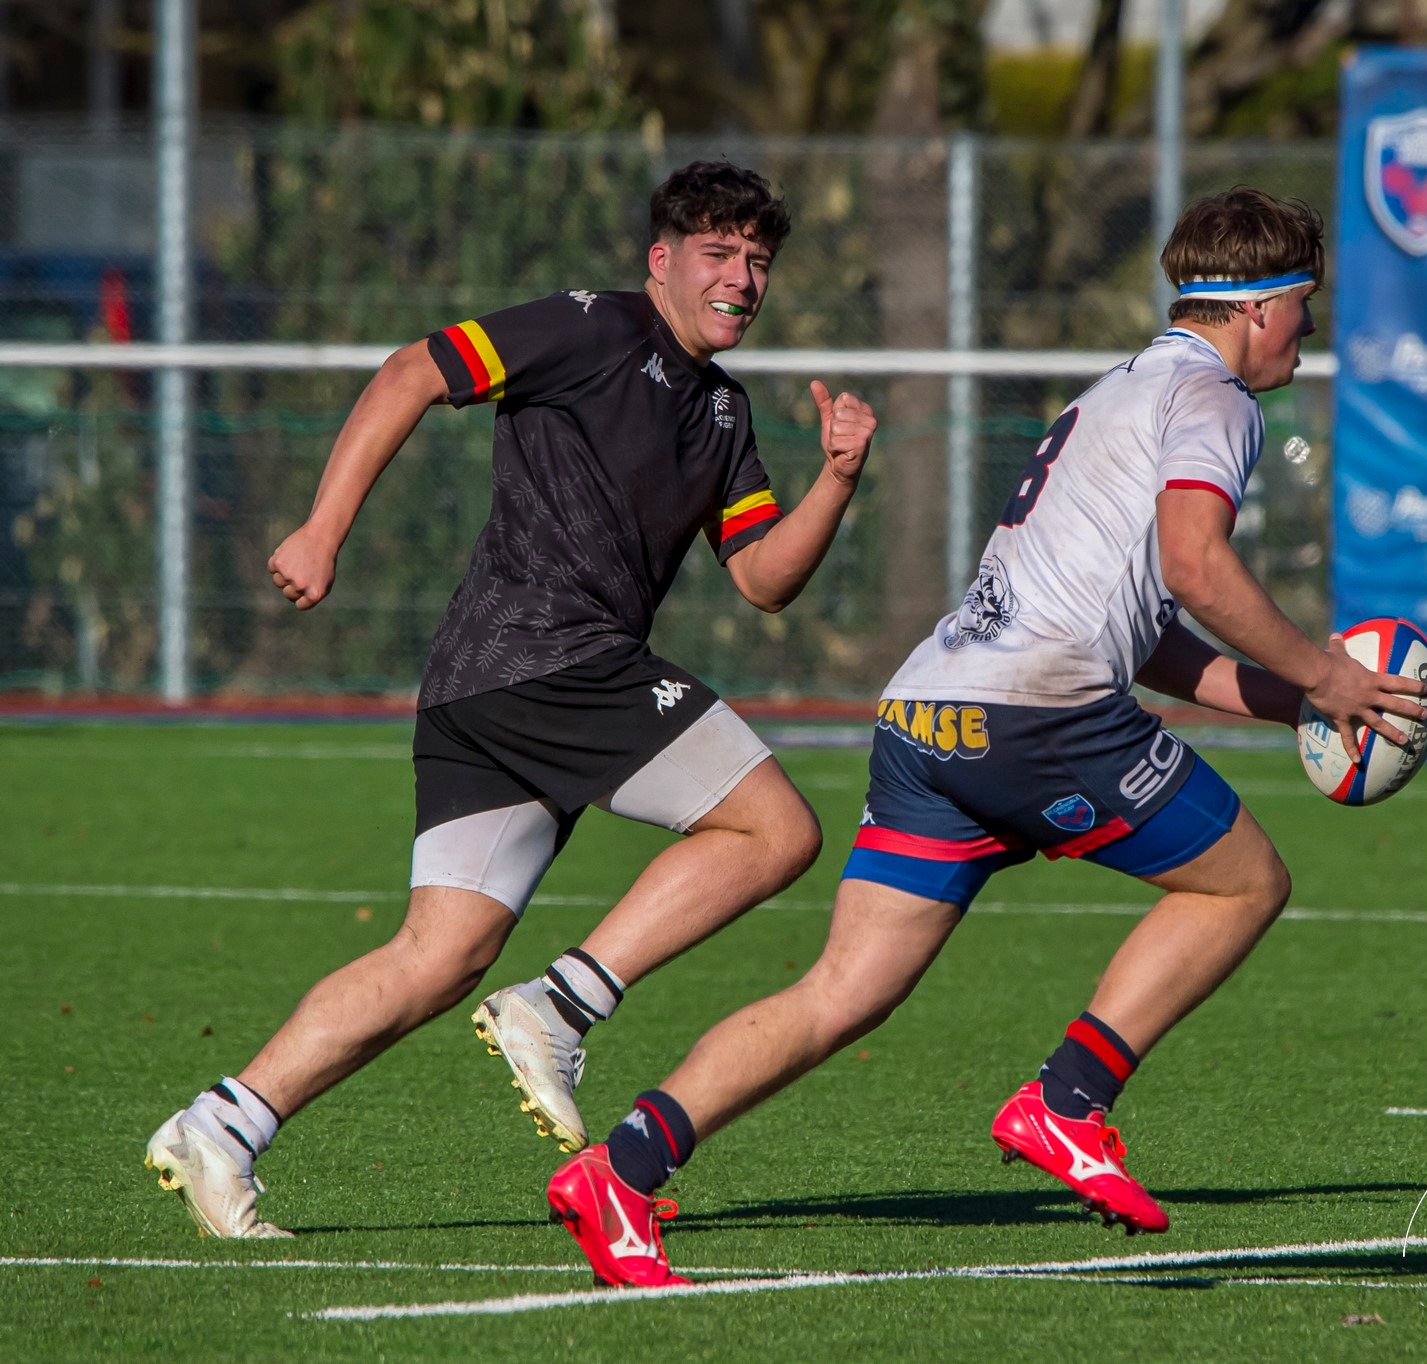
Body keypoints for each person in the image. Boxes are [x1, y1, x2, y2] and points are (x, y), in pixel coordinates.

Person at [541, 188, 1427, 1286]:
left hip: (927, 711)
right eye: (1304, 303)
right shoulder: (1214, 399)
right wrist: (1326, 668)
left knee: (842, 989)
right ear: (1254, 309)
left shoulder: (1118, 391)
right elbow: (1198, 567)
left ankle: (619, 1170)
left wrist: (1298, 699)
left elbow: (1146, 638)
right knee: (1241, 882)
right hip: (1035, 713)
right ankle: (1068, 1099)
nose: (1309, 328)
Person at [144, 161, 879, 1239]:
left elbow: (764, 578)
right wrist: (321, 529)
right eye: (718, 255)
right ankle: (565, 1000)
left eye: (758, 261)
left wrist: (838, 480)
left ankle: (224, 1123)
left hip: (486, 685)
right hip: (545, 659)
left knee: (438, 954)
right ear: (660, 260)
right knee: (776, 826)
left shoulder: (723, 412)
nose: (741, 280)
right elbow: (410, 371)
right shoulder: (586, 329)